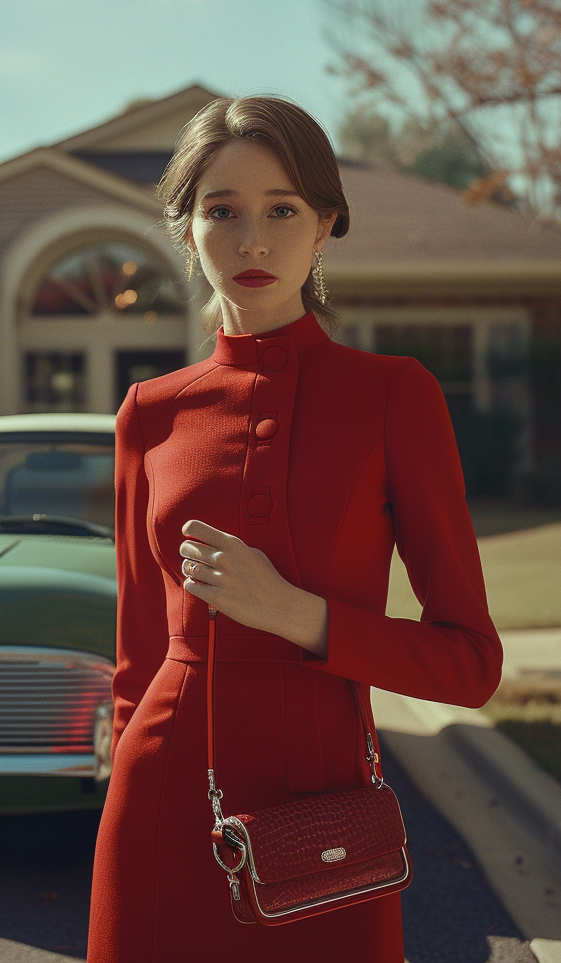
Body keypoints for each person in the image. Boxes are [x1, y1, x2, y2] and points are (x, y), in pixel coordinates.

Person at [86, 96, 503, 962]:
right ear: (186, 227)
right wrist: (122, 780)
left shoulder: (396, 396)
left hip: (325, 808)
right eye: (221, 211)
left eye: (282, 210)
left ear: (326, 225)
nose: (252, 243)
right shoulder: (147, 414)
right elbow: (135, 654)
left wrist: (297, 615)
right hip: (164, 796)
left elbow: (471, 664)